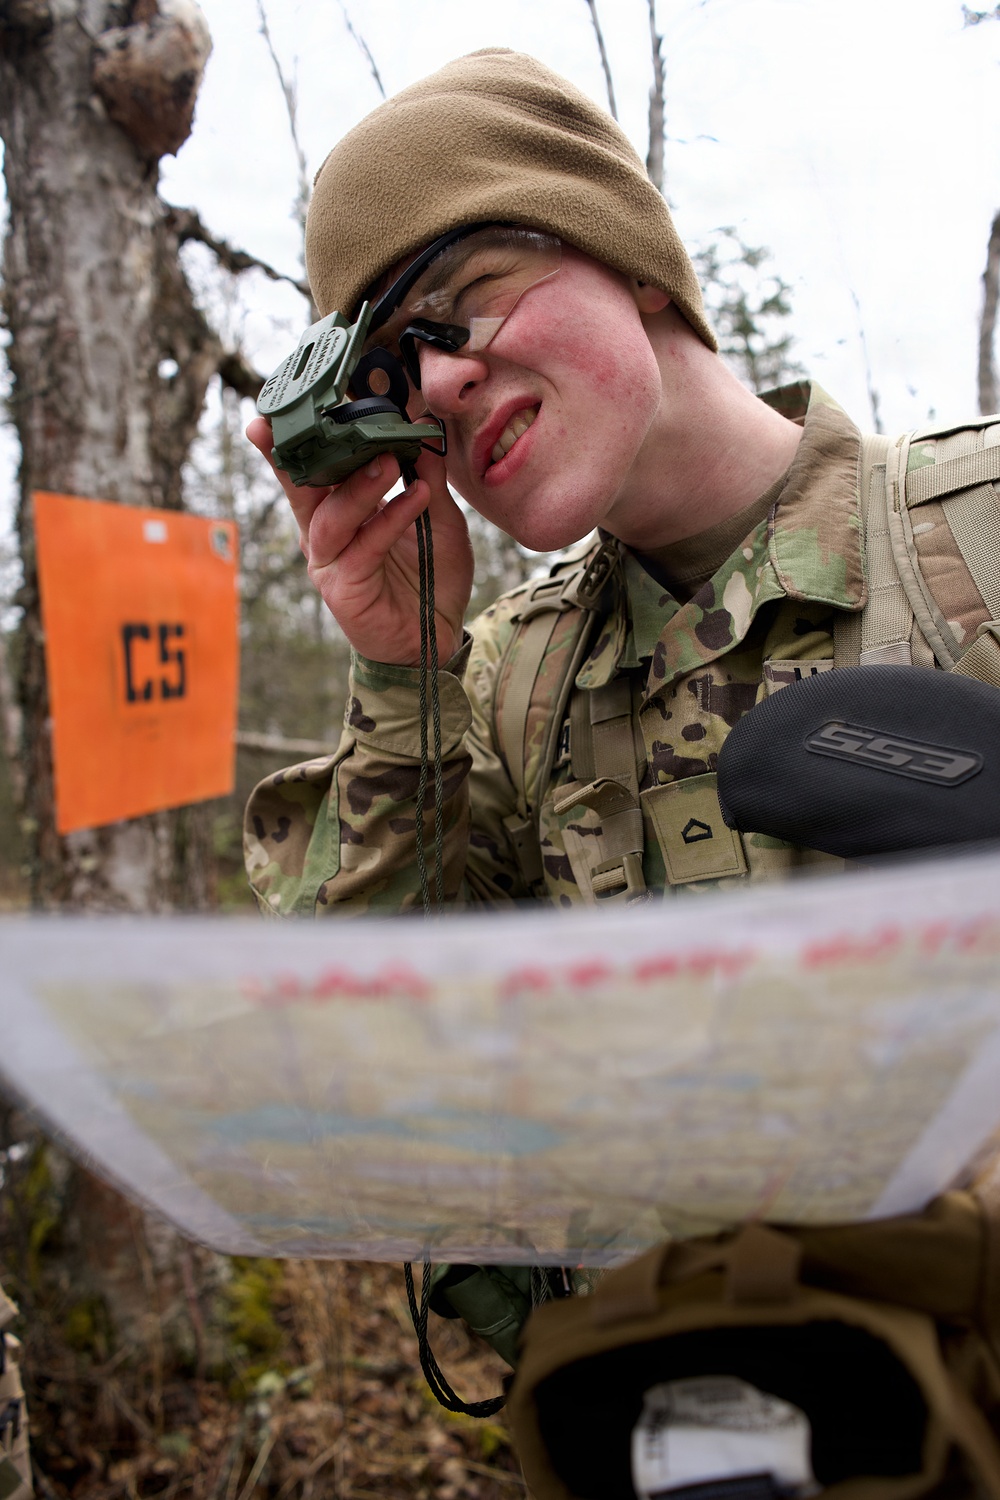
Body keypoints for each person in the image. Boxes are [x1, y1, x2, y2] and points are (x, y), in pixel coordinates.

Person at [243, 47, 897, 914]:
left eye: (466, 295)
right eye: (392, 372)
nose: (439, 386)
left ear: (625, 252)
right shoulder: (496, 689)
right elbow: (382, 1022)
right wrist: (404, 680)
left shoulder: (977, 537)